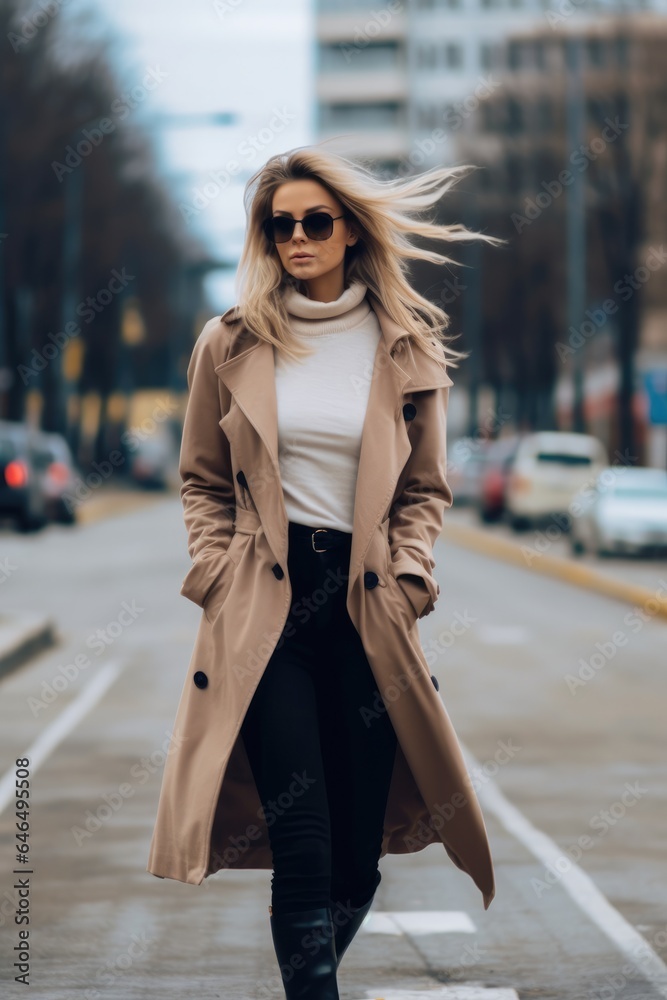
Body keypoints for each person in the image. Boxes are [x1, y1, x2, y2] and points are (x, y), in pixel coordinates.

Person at [150, 145, 503, 1000]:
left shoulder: (406, 348)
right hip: (266, 613)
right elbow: (200, 476)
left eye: (314, 221)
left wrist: (412, 576)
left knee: (354, 849)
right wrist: (215, 570)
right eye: (280, 226)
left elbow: (423, 489)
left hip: (367, 609)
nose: (296, 238)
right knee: (301, 835)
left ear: (348, 231)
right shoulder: (229, 341)